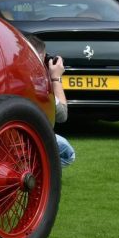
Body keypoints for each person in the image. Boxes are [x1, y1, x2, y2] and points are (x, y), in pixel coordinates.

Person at [26, 35, 75, 167]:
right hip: (27, 137)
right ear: (40, 57)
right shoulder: (39, 84)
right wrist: (55, 78)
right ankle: (37, 173)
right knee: (68, 153)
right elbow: (62, 115)